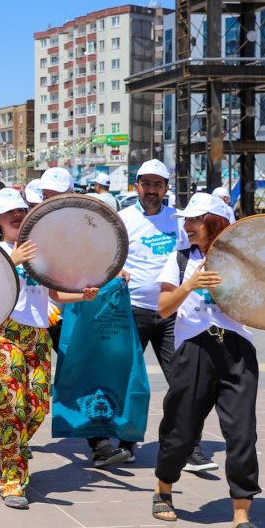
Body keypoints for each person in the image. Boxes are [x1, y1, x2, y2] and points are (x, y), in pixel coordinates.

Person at [151, 192, 265, 528]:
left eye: (194, 220)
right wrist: (189, 285)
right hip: (194, 351)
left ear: (215, 223)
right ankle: (163, 490)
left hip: (237, 352)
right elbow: (162, 309)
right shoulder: (181, 258)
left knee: (242, 433)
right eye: (185, 221)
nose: (186, 226)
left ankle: (241, 517)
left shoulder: (247, 263)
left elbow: (262, 308)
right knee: (181, 429)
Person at [0, 188, 97, 509]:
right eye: (10, 214)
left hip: (38, 335)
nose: (17, 216)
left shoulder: (41, 252)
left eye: (21, 211)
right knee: (13, 408)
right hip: (2, 334)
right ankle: (12, 481)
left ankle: (13, 450)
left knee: (38, 407)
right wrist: (10, 261)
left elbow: (52, 296)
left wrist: (81, 295)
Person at [113, 160, 216, 471]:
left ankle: (189, 447)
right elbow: (106, 253)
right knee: (130, 381)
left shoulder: (179, 220)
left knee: (184, 381)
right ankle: (126, 444)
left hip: (173, 313)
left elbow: (195, 253)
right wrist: (117, 269)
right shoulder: (122, 219)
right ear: (137, 186)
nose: (152, 190)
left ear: (167, 188)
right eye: (147, 184)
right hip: (133, 310)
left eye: (158, 184)